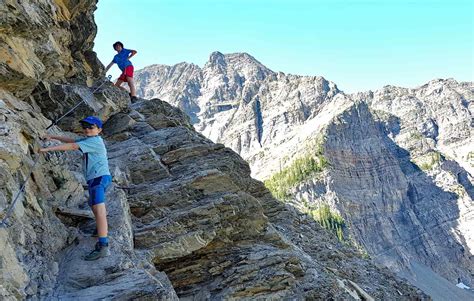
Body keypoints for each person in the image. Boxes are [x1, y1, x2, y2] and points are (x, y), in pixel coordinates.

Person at [40, 116, 112, 261]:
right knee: (93, 204)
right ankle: (101, 228)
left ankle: (103, 246)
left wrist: (47, 150)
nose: (87, 130)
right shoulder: (89, 140)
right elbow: (72, 141)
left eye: (91, 127)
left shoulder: (95, 141)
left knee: (98, 209)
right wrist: (52, 136)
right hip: (96, 178)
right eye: (85, 127)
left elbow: (72, 147)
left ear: (99, 130)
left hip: (99, 178)